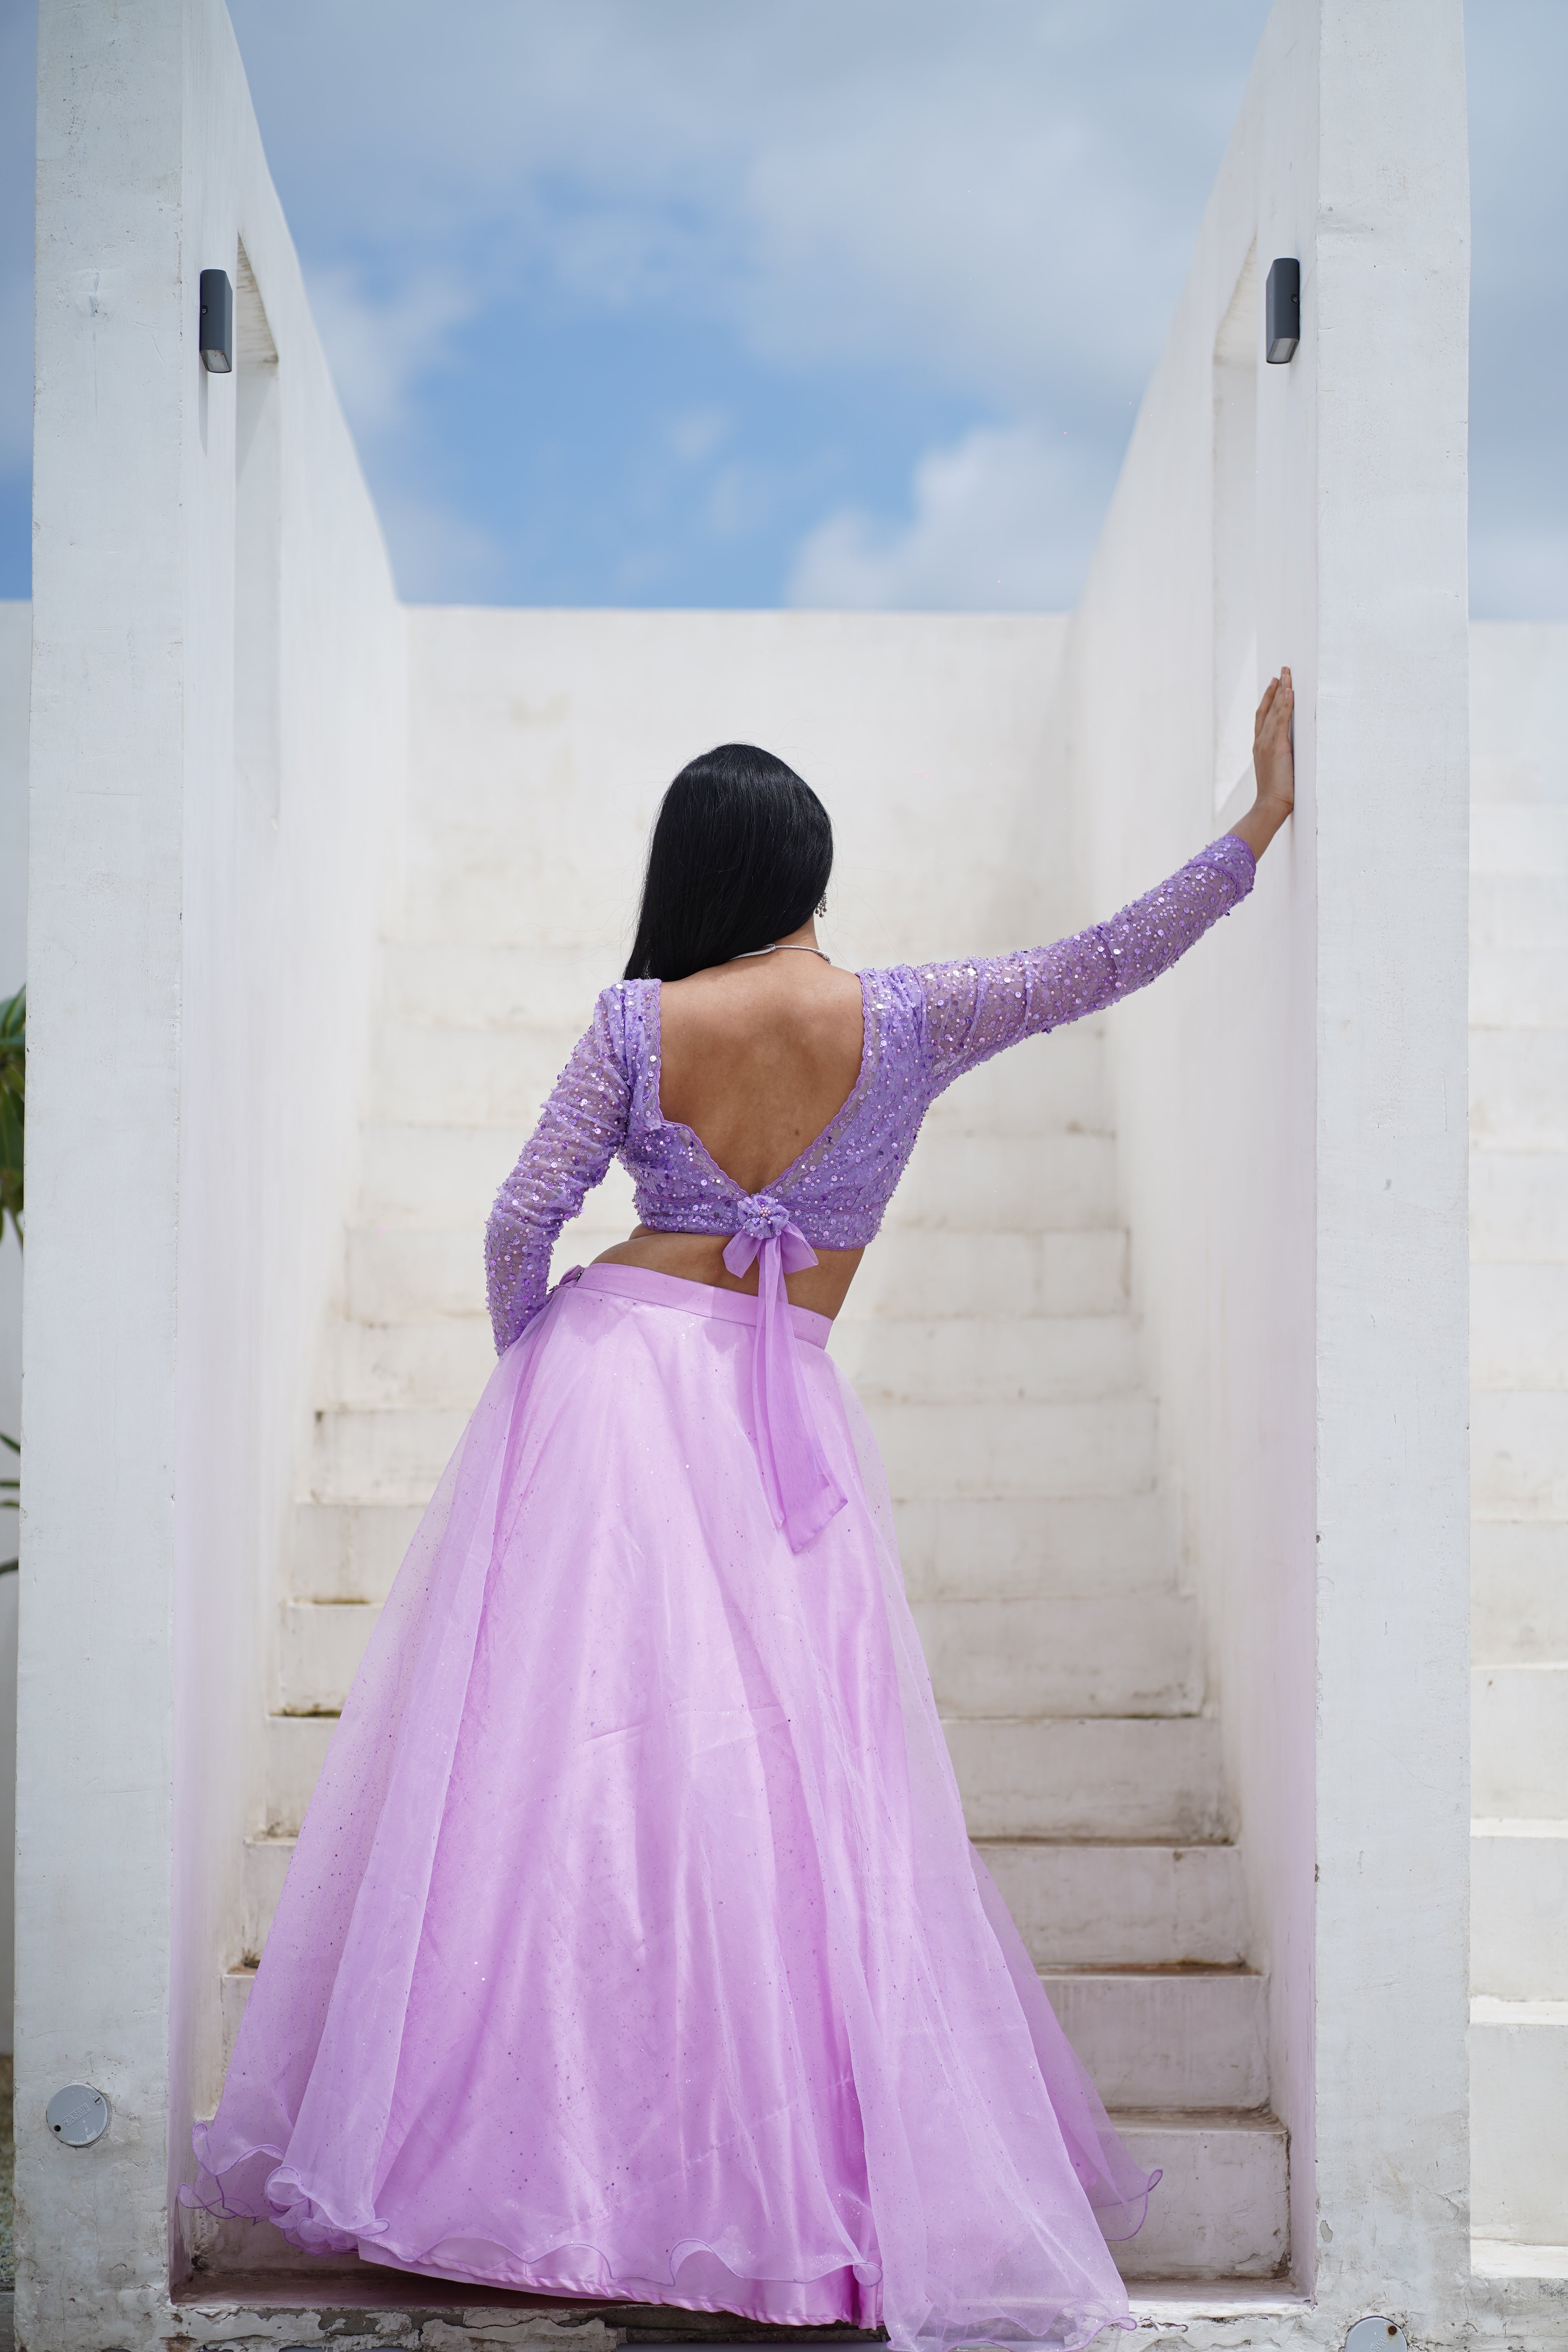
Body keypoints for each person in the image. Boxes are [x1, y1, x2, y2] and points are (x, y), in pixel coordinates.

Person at [189, 674, 1296, 2351]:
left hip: (615, 1386)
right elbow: (1102, 962)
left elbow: (517, 1221)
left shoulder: (640, 1023)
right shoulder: (918, 1014)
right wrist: (1255, 832)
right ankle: (779, 2193)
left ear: (690, 872)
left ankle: (545, 2172)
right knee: (796, 1792)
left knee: (578, 1789)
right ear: (810, 867)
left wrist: (535, 1375)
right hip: (781, 1410)